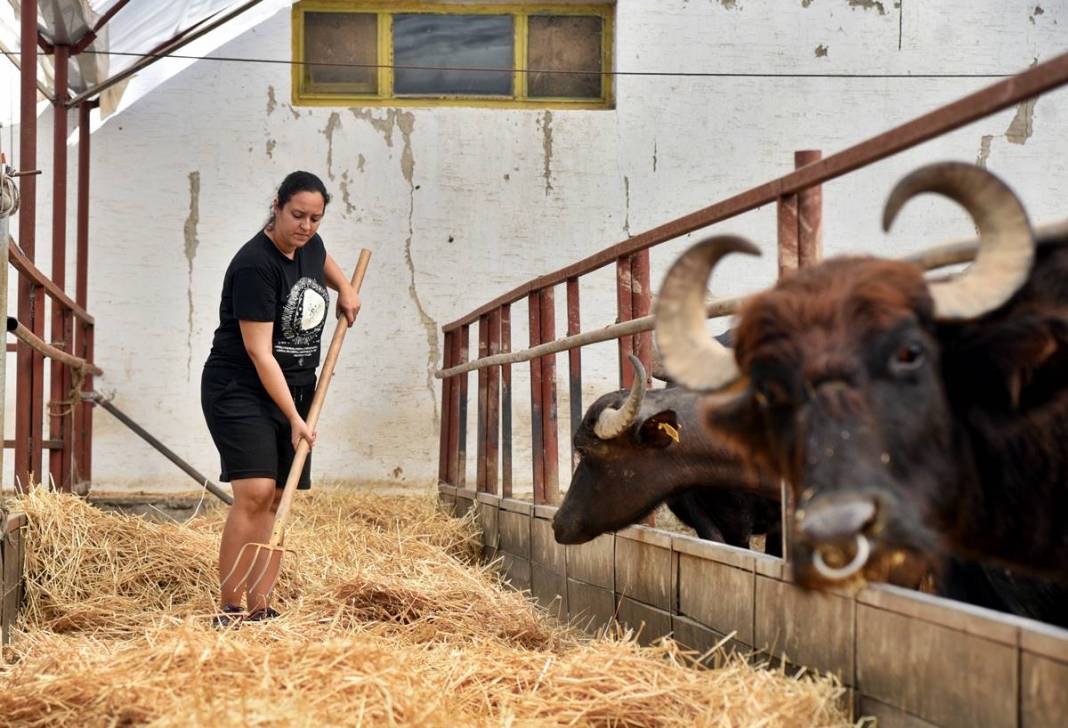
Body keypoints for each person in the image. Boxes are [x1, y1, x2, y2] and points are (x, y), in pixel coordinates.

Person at [201, 171, 360, 626]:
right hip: (240, 387)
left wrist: (345, 287)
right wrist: (295, 417)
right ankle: (230, 608)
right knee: (253, 492)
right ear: (276, 205)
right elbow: (258, 352)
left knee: (277, 497)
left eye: (315, 217)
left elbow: (322, 258)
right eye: (297, 215)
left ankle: (261, 606)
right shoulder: (255, 265)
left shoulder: (309, 242)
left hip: (296, 387)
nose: (306, 226)